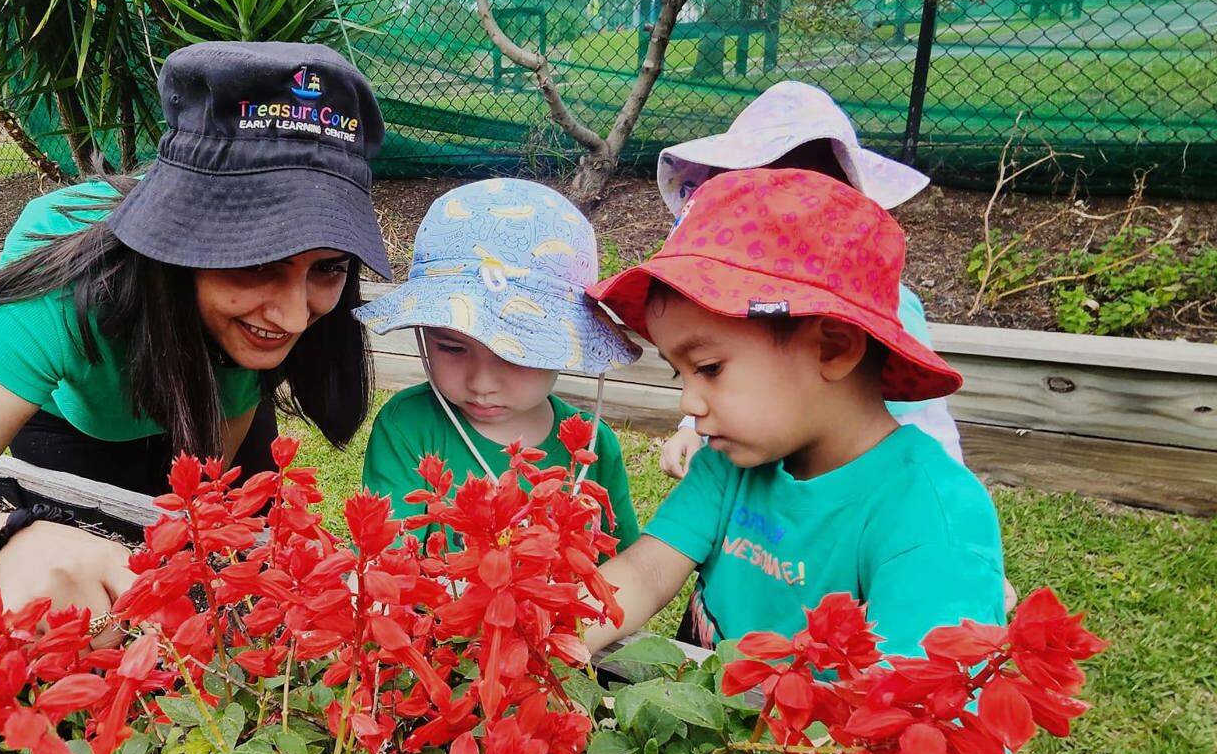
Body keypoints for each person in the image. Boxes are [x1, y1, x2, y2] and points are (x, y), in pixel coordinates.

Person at [0, 41, 388, 626]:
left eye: (329, 266)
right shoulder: (62, 277)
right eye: (255, 261)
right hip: (75, 422)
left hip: (202, 394)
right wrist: (9, 547)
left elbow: (206, 481)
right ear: (178, 239)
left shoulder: (268, 318)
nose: (293, 318)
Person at [582, 167, 1006, 663]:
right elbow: (645, 572)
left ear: (832, 349)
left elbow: (915, 707)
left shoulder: (930, 514)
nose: (689, 404)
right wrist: (538, 636)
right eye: (683, 375)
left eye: (710, 368)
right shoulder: (726, 465)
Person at [651, 80, 963, 479]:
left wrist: (933, 489)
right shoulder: (721, 295)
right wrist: (691, 430)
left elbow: (927, 428)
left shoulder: (887, 307)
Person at [355, 178, 642, 549]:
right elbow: (387, 562)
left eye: (514, 353)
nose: (481, 383)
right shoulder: (408, 427)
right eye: (452, 349)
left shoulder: (592, 446)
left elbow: (619, 573)